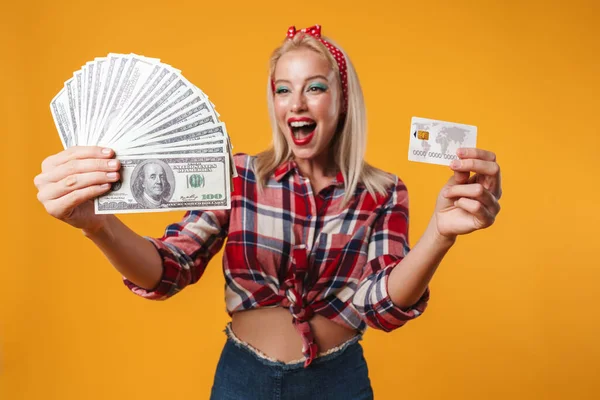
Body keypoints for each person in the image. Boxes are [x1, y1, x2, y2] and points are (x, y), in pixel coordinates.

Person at [34, 24, 502, 399]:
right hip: (244, 382)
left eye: (314, 88)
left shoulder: (383, 192)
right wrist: (98, 225)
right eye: (283, 90)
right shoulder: (236, 176)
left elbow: (381, 305)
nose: (296, 103)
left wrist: (441, 234)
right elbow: (169, 269)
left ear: (342, 101)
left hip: (339, 385)